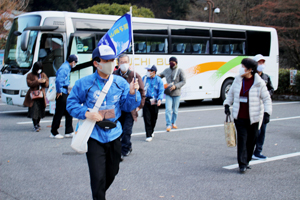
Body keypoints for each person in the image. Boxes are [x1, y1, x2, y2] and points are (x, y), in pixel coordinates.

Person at [67, 45, 141, 200]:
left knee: (112, 172)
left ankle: (99, 192)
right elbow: (71, 104)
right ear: (96, 63)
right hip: (94, 135)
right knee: (97, 176)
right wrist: (86, 113)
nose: (111, 64)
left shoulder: (120, 82)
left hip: (114, 134)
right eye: (106, 60)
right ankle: (99, 196)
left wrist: (133, 93)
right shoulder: (84, 83)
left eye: (112, 60)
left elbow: (128, 106)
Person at [223, 58, 272, 173]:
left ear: (250, 70)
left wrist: (267, 113)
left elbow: (266, 99)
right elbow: (230, 94)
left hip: (254, 118)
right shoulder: (237, 80)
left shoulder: (259, 82)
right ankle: (242, 164)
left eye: (243, 67)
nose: (241, 69)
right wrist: (226, 105)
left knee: (252, 140)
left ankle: (247, 159)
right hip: (240, 117)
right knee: (242, 139)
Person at [113, 54, 145, 159]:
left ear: (129, 62)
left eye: (125, 62)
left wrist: (140, 106)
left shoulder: (135, 76)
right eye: (121, 62)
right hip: (118, 108)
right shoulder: (113, 75)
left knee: (127, 130)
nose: (123, 64)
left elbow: (141, 91)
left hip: (130, 108)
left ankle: (124, 149)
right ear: (118, 63)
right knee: (118, 130)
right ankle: (127, 146)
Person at [252, 54, 274, 160]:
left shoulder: (266, 77)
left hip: (263, 107)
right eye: (259, 62)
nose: (261, 64)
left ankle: (258, 152)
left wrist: (266, 94)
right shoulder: (251, 77)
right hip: (253, 108)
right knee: (254, 131)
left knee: (262, 131)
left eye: (263, 62)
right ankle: (248, 151)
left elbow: (271, 89)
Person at [50, 54, 78, 139]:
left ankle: (69, 131)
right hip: (62, 92)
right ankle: (54, 132)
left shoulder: (66, 66)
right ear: (73, 62)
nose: (75, 64)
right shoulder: (65, 68)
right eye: (75, 62)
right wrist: (59, 91)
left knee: (69, 110)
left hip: (64, 91)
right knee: (59, 112)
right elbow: (59, 80)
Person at [158, 56, 186, 132]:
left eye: (173, 62)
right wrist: (155, 75)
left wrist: (175, 86)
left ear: (176, 63)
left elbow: (183, 81)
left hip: (177, 93)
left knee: (175, 110)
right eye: (170, 62)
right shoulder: (166, 70)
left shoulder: (180, 71)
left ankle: (173, 122)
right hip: (168, 93)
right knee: (168, 109)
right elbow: (160, 76)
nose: (171, 63)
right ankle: (168, 124)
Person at [23, 62, 49, 132]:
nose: (39, 70)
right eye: (38, 69)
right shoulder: (30, 75)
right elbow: (29, 84)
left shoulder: (43, 74)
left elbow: (47, 83)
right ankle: (35, 125)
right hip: (33, 95)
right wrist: (37, 81)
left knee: (41, 110)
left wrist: (44, 82)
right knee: (34, 110)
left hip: (41, 95)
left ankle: (38, 123)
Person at [142, 65, 164, 142]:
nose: (147, 72)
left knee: (154, 118)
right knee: (147, 118)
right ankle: (148, 135)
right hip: (146, 101)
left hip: (154, 101)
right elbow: (141, 89)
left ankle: (151, 130)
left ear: (153, 72)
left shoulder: (158, 80)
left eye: (149, 70)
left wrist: (160, 99)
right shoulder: (144, 78)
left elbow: (161, 91)